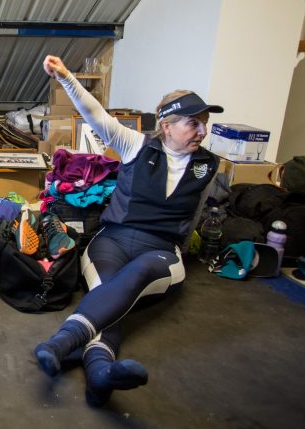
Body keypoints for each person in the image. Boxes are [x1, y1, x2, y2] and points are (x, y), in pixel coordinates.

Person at [33, 55, 224, 407]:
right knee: (110, 288)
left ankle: (60, 344)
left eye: (204, 124)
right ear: (166, 125)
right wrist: (65, 77)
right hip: (112, 241)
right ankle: (100, 375)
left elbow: (195, 215)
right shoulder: (136, 145)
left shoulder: (208, 164)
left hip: (161, 252)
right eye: (193, 123)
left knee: (134, 275)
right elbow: (96, 116)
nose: (202, 131)